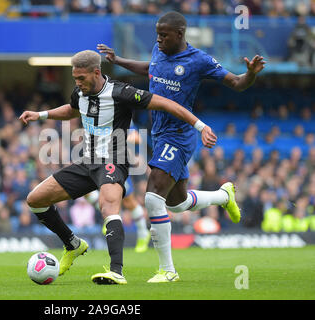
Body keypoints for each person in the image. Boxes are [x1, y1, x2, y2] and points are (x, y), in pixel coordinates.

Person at [19, 49, 216, 285]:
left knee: (108, 206)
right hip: (87, 161)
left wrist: (200, 126)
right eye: (75, 78)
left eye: (81, 78)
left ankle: (116, 271)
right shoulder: (80, 91)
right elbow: (72, 109)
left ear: (96, 72)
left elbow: (166, 104)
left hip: (113, 160)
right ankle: (72, 244)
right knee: (35, 199)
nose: (77, 82)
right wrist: (40, 115)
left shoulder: (122, 92)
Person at [97, 11, 265, 283]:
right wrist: (119, 61)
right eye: (157, 34)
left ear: (180, 34)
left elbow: (236, 83)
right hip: (159, 133)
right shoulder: (158, 50)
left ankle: (168, 271)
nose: (159, 39)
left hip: (179, 134)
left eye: (164, 35)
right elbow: (150, 67)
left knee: (153, 197)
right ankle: (223, 196)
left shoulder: (198, 60)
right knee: (176, 203)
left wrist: (250, 74)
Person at [84, 122, 151, 253]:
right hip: (100, 162)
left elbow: (137, 137)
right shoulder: (102, 118)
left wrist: (117, 139)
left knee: (129, 201)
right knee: (86, 191)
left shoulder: (122, 118)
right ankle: (112, 213)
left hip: (118, 165)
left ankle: (143, 233)